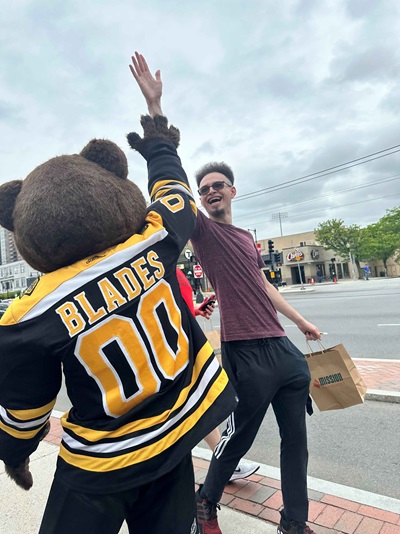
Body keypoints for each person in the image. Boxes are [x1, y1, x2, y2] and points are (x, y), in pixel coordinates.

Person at [0, 53, 238, 534]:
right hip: (175, 435)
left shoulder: (31, 313)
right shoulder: (151, 244)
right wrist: (155, 125)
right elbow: (174, 192)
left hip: (102, 461)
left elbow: (25, 409)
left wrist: (16, 455)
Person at [190, 162, 321, 534]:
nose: (211, 191)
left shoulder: (247, 237)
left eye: (218, 185)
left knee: (296, 441)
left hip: (282, 348)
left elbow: (264, 286)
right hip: (243, 350)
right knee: (237, 438)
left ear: (233, 190)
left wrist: (300, 321)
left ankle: (295, 522)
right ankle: (205, 504)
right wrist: (156, 113)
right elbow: (169, 189)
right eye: (204, 189)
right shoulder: (203, 230)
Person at [177, 267, 260, 481]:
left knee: (200, 404)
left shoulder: (168, 261)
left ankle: (223, 462)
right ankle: (223, 463)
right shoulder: (156, 259)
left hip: (185, 345)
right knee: (199, 404)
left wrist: (195, 309)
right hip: (176, 350)